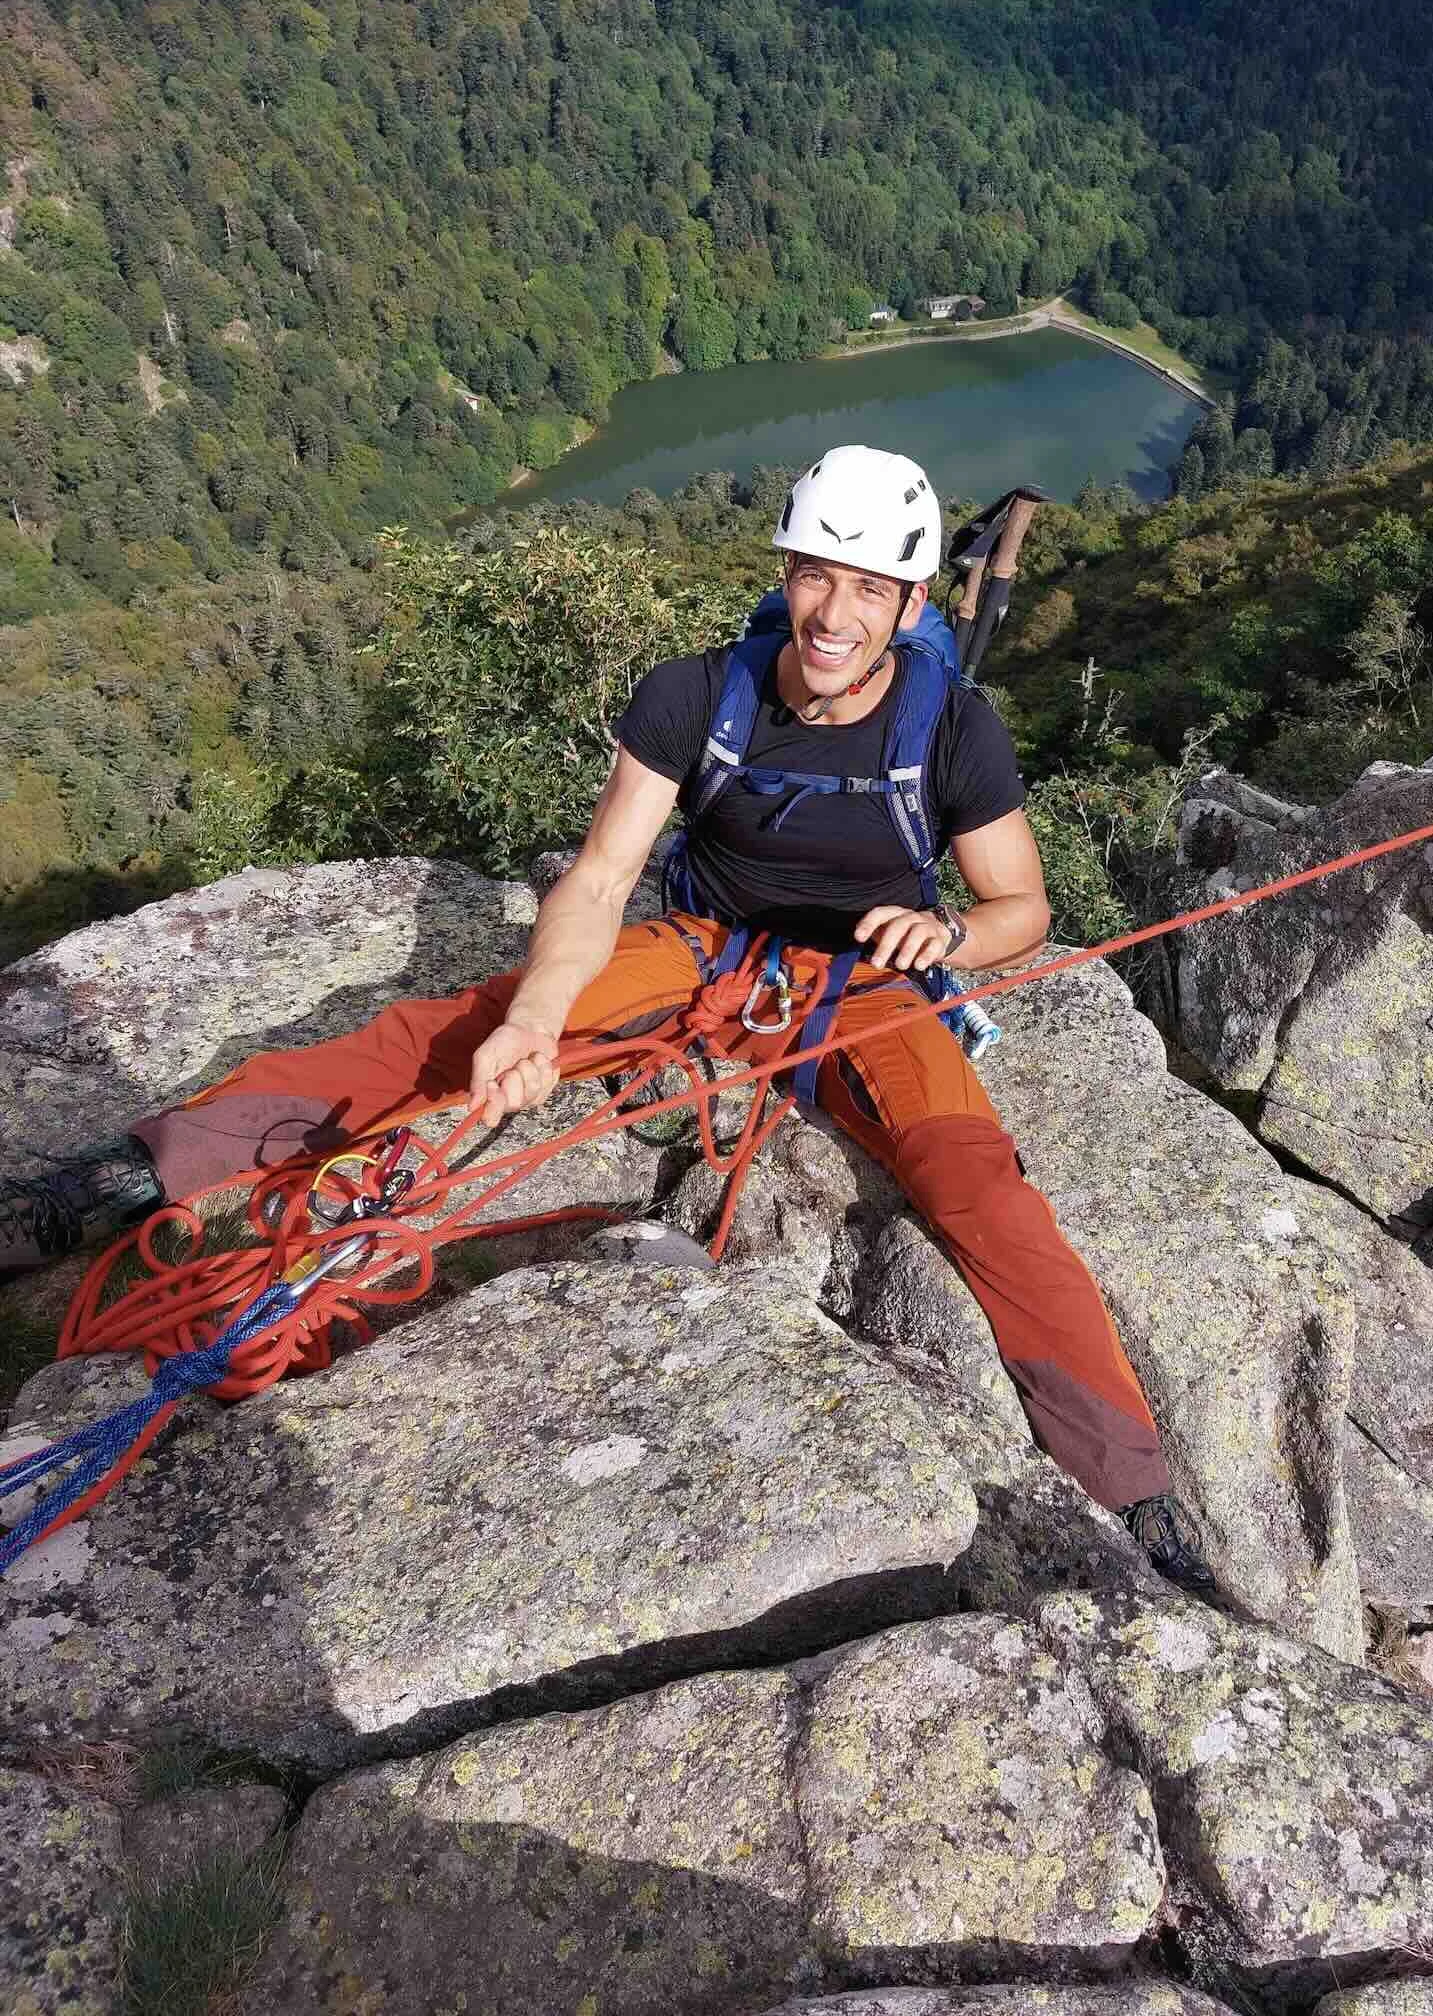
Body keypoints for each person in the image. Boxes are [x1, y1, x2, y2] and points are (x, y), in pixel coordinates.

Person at [0, 446, 1214, 1595]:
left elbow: (1022, 906)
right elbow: (596, 877)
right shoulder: (697, 694)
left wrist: (948, 937)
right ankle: (126, 1174)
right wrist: (535, 1014)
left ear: (908, 601)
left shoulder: (952, 727)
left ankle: (1130, 1486)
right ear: (784, 574)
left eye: (867, 587)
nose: (834, 614)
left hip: (868, 987)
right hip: (701, 948)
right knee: (448, 1033)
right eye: (814, 576)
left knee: (980, 1186)